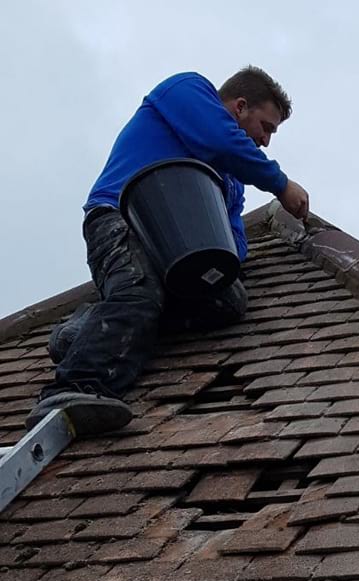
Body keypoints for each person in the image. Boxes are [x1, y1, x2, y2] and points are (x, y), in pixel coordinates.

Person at [26, 66, 309, 435]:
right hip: (122, 218)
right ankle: (76, 386)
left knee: (227, 300)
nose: (266, 141)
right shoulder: (186, 90)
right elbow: (221, 140)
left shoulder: (229, 180)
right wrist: (281, 184)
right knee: (137, 290)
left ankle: (85, 329)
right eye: (266, 127)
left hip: (177, 250)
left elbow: (232, 236)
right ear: (240, 106)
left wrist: (227, 267)